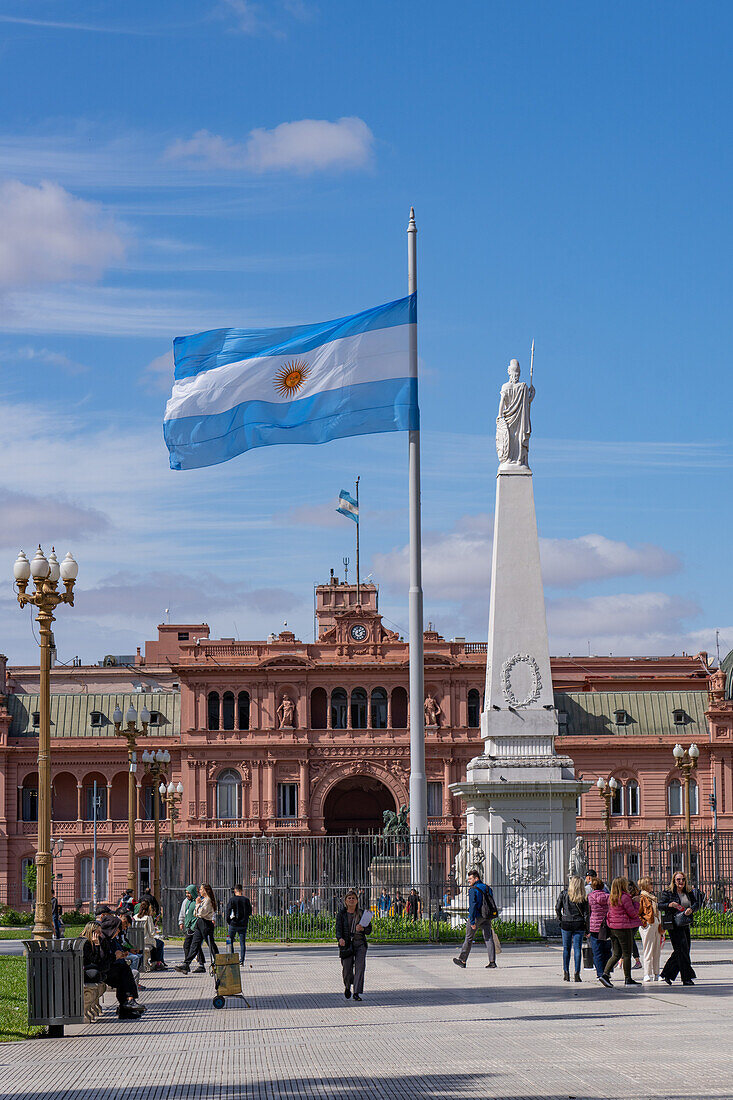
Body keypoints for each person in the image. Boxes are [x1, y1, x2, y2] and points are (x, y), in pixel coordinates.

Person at [87, 919, 146, 1019]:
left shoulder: (109, 939)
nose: (119, 931)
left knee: (124, 972)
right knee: (124, 972)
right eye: (117, 929)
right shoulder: (101, 939)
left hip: (105, 969)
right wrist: (114, 956)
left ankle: (126, 1006)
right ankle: (127, 1003)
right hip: (97, 971)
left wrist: (120, 955)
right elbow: (100, 960)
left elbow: (108, 957)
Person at [660, 870, 702, 986]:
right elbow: (660, 905)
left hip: (685, 923)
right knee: (682, 950)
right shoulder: (668, 893)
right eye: (678, 879)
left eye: (683, 879)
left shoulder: (688, 892)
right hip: (674, 925)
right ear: (674, 880)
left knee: (683, 950)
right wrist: (670, 905)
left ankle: (667, 973)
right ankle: (686, 978)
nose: (681, 882)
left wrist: (691, 909)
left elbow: (696, 903)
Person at [599, 877, 641, 987]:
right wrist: (636, 903)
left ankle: (605, 974)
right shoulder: (624, 897)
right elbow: (633, 913)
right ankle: (628, 979)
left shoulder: (611, 898)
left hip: (613, 927)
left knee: (616, 954)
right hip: (624, 927)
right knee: (627, 953)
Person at [453, 868, 498, 970]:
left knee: (468, 938)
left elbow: (473, 906)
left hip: (477, 916)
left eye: (470, 879)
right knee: (488, 938)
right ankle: (492, 962)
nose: (469, 881)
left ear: (476, 878)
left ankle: (462, 960)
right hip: (486, 916)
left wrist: (472, 921)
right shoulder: (487, 888)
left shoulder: (473, 889)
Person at [336, 889, 372, 1002]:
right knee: (347, 969)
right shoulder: (341, 914)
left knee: (360, 968)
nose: (351, 900)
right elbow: (338, 929)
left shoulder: (362, 914)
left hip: (360, 944)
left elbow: (369, 930)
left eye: (353, 898)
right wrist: (340, 938)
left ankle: (356, 992)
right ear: (345, 901)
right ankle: (347, 986)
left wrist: (363, 929)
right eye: (349, 898)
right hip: (346, 944)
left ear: (357, 900)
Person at [176, 883, 218, 973]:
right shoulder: (202, 900)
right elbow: (196, 913)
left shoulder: (208, 900)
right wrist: (198, 906)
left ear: (206, 891)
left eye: (202, 890)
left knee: (211, 944)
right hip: (199, 923)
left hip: (205, 923)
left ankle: (218, 962)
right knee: (194, 944)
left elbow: (201, 913)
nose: (200, 891)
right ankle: (186, 964)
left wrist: (198, 904)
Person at [555, 875, 589, 982]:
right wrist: (587, 928)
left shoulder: (564, 894)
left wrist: (560, 918)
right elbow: (586, 914)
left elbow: (557, 907)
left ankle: (566, 971)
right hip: (578, 923)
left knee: (566, 948)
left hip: (566, 922)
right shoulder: (583, 897)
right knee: (577, 948)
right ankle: (577, 973)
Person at [637, 876, 663, 983]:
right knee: (648, 949)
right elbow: (638, 913)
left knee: (657, 950)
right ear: (645, 885)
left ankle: (657, 973)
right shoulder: (642, 897)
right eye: (650, 883)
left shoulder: (652, 897)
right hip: (648, 924)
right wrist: (644, 923)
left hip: (656, 924)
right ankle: (646, 973)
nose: (652, 885)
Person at [587, 876, 612, 978]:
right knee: (607, 950)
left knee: (597, 951)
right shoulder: (608, 897)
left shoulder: (590, 897)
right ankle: (607, 971)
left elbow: (588, 912)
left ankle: (600, 973)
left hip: (594, 927)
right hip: (606, 925)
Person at [179, 884, 205, 972]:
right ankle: (198, 964)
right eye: (186, 893)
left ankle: (187, 963)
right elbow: (183, 912)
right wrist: (181, 921)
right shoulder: (186, 901)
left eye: (189, 893)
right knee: (195, 946)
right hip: (189, 927)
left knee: (188, 945)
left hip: (195, 927)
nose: (187, 895)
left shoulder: (198, 901)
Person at [134, 899, 167, 969]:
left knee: (156, 944)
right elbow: (152, 933)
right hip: (146, 941)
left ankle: (154, 962)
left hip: (136, 941)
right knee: (160, 943)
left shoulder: (135, 917)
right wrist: (156, 932)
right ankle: (158, 962)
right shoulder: (148, 918)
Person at [226, 884, 252, 965]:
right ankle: (242, 960)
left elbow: (228, 911)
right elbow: (249, 912)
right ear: (241, 890)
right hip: (243, 924)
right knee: (242, 943)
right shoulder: (246, 900)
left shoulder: (232, 900)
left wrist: (229, 921)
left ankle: (232, 958)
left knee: (229, 941)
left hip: (233, 924)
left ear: (235, 891)